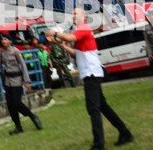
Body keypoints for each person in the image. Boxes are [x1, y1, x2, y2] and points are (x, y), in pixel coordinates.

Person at [47, 9, 133, 150]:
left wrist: (55, 33)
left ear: (84, 17)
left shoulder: (84, 28)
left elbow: (69, 38)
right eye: (73, 14)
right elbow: (77, 53)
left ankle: (99, 144)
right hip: (91, 74)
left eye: (76, 14)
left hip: (92, 74)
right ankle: (125, 132)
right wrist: (62, 46)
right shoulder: (80, 31)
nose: (73, 16)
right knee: (102, 107)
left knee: (93, 109)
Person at [0, 34, 42, 135]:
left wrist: (26, 81)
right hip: (7, 81)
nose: (3, 41)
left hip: (17, 80)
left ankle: (32, 116)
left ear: (9, 41)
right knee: (10, 105)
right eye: (2, 40)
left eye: (5, 39)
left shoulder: (15, 51)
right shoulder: (1, 53)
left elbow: (23, 65)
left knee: (16, 103)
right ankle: (18, 127)